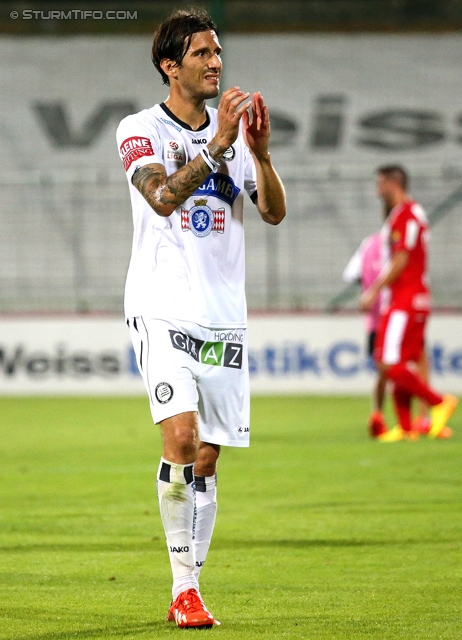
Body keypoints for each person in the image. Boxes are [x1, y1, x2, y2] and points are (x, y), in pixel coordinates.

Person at [116, 7, 286, 629]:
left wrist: (261, 157)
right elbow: (161, 198)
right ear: (170, 66)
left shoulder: (237, 136)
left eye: (219, 53)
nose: (217, 63)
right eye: (202, 55)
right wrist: (216, 149)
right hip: (161, 306)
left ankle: (189, 586)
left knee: (208, 457)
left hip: (223, 317)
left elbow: (271, 213)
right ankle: (184, 590)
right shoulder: (139, 129)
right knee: (181, 440)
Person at [360, 165, 457, 442]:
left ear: (393, 184)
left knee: (386, 361)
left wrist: (373, 291)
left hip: (404, 299)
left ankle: (439, 402)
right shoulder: (410, 214)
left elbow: (401, 259)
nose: (378, 190)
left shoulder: (405, 215)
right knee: (400, 362)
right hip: (413, 299)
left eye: (380, 184)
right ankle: (406, 427)